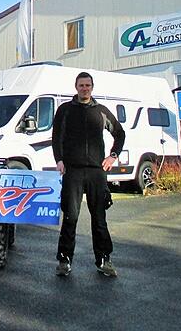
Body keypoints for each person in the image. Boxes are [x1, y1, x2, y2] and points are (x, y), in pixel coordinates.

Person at [52, 71, 125, 277]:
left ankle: (104, 260)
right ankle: (64, 261)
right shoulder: (65, 110)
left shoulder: (101, 111)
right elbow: (56, 137)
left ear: (92, 87)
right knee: (70, 217)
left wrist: (112, 156)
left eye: (88, 85)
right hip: (72, 171)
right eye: (81, 85)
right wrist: (59, 159)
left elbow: (120, 133)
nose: (85, 88)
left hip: (96, 172)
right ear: (75, 87)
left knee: (99, 218)